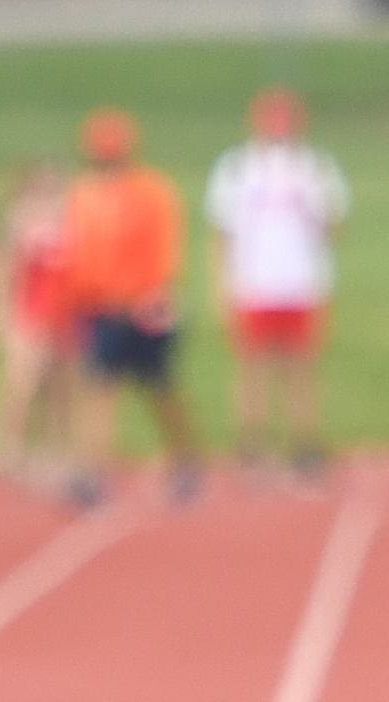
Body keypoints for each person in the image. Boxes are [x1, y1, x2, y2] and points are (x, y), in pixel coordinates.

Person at [206, 86, 349, 481]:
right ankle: (252, 445)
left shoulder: (315, 169)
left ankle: (303, 445)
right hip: (254, 283)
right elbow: (221, 233)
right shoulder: (237, 169)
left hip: (301, 283)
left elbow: (333, 227)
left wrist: (314, 210)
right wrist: (221, 286)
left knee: (300, 368)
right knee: (252, 369)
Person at [61, 107, 203, 506]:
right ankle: (92, 472)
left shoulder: (151, 190)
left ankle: (185, 459)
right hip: (101, 307)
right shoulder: (84, 193)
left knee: (160, 387)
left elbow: (165, 245)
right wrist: (75, 300)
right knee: (99, 386)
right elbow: (78, 252)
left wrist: (158, 292)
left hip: (144, 306)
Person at [0, 161, 77, 480]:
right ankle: (7, 448)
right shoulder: (20, 217)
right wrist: (4, 311)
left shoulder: (72, 216)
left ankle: (54, 447)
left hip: (65, 312)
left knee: (60, 385)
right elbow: (5, 265)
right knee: (21, 381)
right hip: (31, 310)